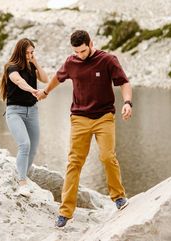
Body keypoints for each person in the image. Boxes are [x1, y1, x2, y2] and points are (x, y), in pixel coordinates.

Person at [36, 30, 132, 227]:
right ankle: (65, 212)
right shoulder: (71, 62)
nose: (80, 55)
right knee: (74, 163)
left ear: (91, 43)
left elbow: (123, 82)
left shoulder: (107, 60)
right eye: (76, 52)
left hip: (104, 117)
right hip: (79, 119)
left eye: (83, 51)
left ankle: (118, 197)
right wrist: (45, 91)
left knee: (107, 157)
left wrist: (128, 102)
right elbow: (58, 77)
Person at [0, 38, 48, 197]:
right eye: (27, 53)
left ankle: (21, 176)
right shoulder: (11, 67)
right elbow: (18, 81)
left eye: (32, 52)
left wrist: (36, 61)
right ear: (20, 52)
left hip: (32, 111)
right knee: (24, 145)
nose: (29, 55)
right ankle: (22, 183)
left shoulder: (31, 64)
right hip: (15, 112)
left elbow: (45, 79)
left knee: (33, 149)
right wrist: (33, 90)